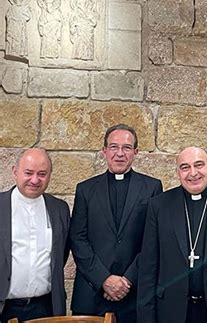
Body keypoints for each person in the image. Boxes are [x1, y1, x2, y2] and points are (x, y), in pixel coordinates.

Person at [137, 146, 207, 323]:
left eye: (199, 165)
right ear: (178, 172)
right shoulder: (159, 206)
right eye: (185, 167)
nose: (193, 173)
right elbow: (148, 268)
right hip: (171, 310)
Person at [69, 124, 163, 323]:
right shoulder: (85, 189)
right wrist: (104, 279)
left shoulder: (152, 188)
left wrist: (127, 280)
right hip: (92, 292)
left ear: (135, 152)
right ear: (104, 151)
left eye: (127, 148)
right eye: (113, 147)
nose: (120, 153)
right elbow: (77, 238)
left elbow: (153, 241)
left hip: (134, 293)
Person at [0, 148, 70, 322]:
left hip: (45, 308)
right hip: (5, 308)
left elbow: (61, 255)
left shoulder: (59, 209)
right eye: (28, 173)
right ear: (15, 172)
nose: (35, 180)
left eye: (42, 174)